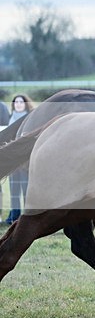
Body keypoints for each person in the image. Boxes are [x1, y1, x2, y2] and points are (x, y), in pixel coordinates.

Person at [5, 94, 34, 224]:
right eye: (16, 102)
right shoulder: (10, 118)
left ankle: (27, 215)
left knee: (26, 188)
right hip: (13, 161)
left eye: (21, 102)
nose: (18, 104)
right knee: (14, 190)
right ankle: (14, 215)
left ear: (25, 103)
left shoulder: (31, 118)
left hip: (24, 161)